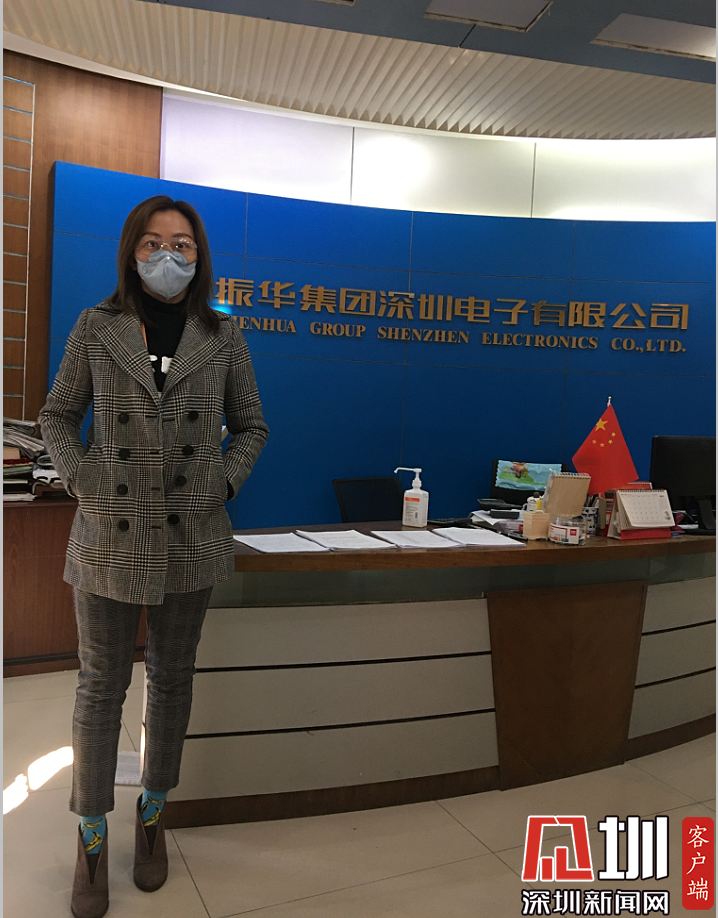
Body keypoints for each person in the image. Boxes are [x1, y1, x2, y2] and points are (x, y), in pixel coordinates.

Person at [39, 195, 269, 918]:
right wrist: (84, 481)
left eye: (183, 245)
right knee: (99, 687)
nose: (168, 256)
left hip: (190, 531)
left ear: (200, 257)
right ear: (131, 252)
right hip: (108, 532)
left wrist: (222, 483)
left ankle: (151, 818)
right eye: (153, 243)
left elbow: (253, 426)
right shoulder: (96, 325)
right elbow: (56, 416)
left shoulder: (223, 334)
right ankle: (91, 837)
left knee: (171, 681)